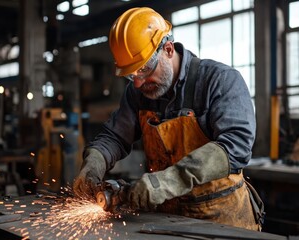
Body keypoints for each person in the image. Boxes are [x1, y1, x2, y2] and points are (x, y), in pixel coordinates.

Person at [73, 7, 264, 231]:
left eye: (144, 69)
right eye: (131, 74)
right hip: (167, 220)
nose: (137, 82)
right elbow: (115, 136)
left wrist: (167, 182)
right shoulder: (138, 93)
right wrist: (94, 163)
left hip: (223, 220)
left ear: (169, 49)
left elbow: (236, 146)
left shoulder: (219, 81)